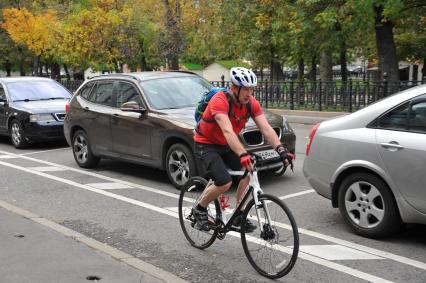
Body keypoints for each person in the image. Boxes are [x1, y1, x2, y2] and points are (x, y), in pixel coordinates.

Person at [192, 67, 295, 232]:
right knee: (224, 182)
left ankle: (239, 214)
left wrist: (281, 150)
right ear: (234, 88)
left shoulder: (250, 103)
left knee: (249, 168)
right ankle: (200, 208)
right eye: (246, 89)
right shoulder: (220, 100)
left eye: (251, 89)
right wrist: (242, 153)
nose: (249, 93)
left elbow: (266, 129)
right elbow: (227, 130)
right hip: (206, 143)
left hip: (226, 144)